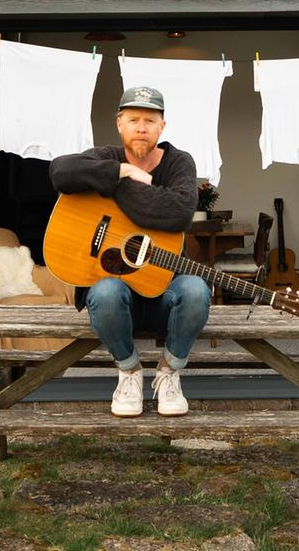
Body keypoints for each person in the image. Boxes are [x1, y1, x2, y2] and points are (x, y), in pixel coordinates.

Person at [48, 85, 210, 416]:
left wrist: (117, 186)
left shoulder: (179, 162)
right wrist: (122, 170)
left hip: (165, 295)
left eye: (150, 120)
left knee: (196, 289)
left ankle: (169, 372)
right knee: (106, 291)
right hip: (116, 300)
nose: (141, 127)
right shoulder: (105, 157)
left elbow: (178, 212)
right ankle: (130, 371)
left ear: (162, 126)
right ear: (119, 124)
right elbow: (60, 172)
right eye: (133, 119)